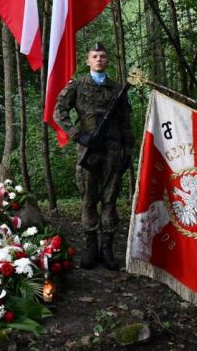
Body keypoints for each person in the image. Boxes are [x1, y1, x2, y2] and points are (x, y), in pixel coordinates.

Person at [54, 43, 134, 270]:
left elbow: (125, 121)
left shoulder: (118, 88)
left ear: (107, 60)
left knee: (109, 199)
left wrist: (128, 150)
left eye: (103, 56)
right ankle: (90, 245)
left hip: (112, 151)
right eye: (94, 56)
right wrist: (77, 135)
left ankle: (107, 248)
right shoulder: (78, 85)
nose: (99, 59)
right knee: (89, 199)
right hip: (88, 150)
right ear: (88, 61)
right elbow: (59, 111)